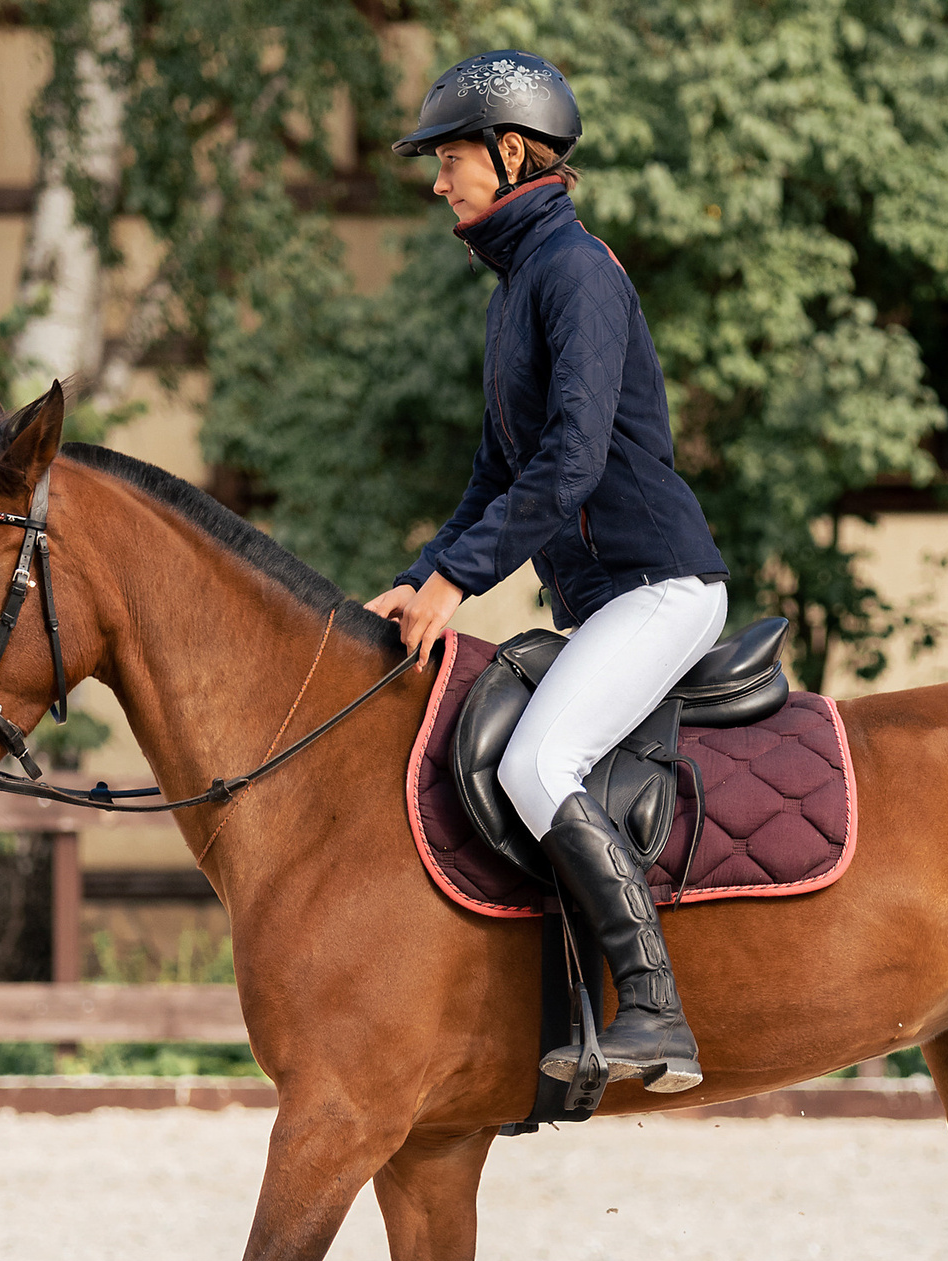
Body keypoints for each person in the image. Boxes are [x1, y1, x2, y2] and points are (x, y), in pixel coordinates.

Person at [366, 51, 729, 1096]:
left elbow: (568, 461)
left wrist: (459, 583)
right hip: (607, 598)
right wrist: (422, 574)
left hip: (661, 586)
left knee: (534, 766)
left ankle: (654, 1011)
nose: (439, 181)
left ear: (512, 151)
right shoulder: (521, 286)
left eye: (450, 159)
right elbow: (499, 472)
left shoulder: (574, 273)